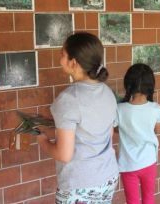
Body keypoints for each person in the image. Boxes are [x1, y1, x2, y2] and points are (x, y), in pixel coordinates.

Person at [37, 32, 119, 203]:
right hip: (108, 177)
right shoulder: (107, 92)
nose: (59, 60)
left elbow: (64, 154)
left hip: (80, 185)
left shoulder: (69, 99)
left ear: (73, 62)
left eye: (62, 55)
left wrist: (43, 140)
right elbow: (107, 133)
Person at [115, 63, 160, 204]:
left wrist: (128, 128)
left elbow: (115, 129)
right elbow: (157, 131)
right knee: (149, 198)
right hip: (149, 161)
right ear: (151, 86)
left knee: (132, 201)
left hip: (128, 164)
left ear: (128, 84)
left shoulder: (120, 109)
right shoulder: (155, 109)